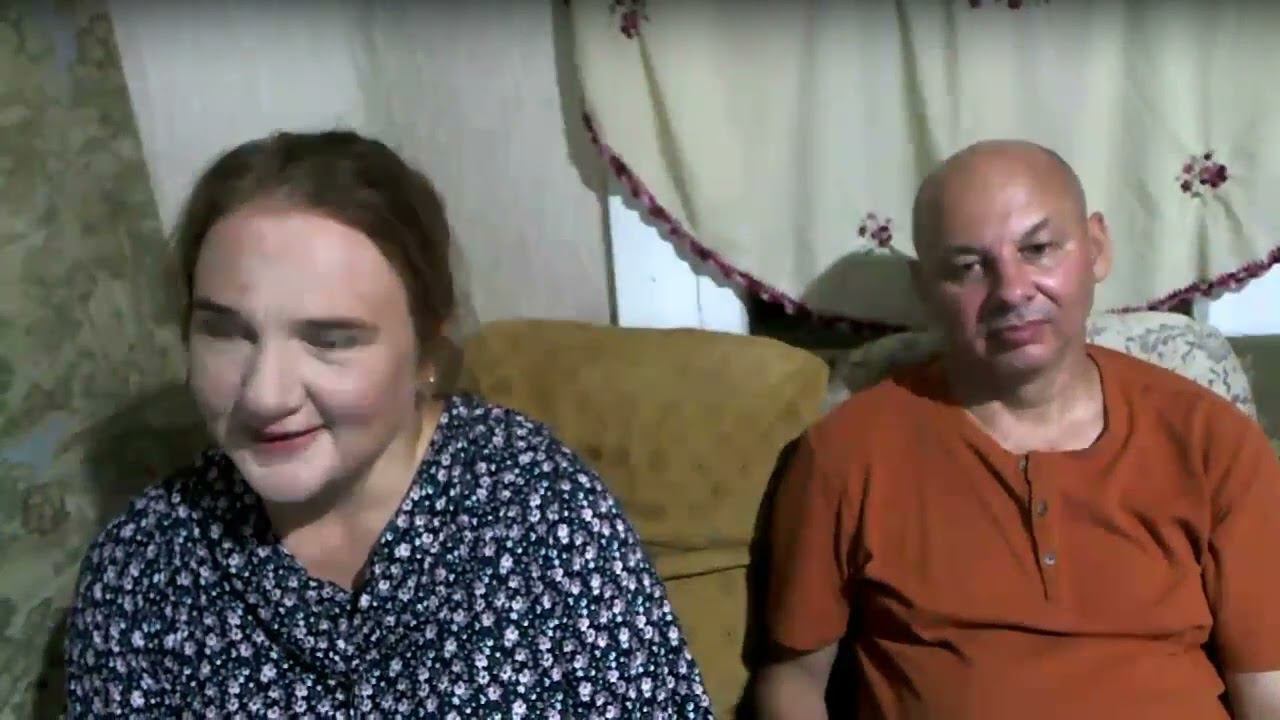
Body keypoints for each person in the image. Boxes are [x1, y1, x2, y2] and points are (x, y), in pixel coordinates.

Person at [65, 130, 713, 718]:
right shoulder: (141, 570)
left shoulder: (542, 513)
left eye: (330, 340)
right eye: (226, 332)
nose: (264, 395)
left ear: (425, 354)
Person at [754, 139, 1280, 719]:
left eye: (1038, 249)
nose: (1011, 289)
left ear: (1097, 248)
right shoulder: (845, 453)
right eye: (968, 267)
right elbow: (792, 681)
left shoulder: (1210, 439)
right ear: (924, 287)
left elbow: (1267, 686)